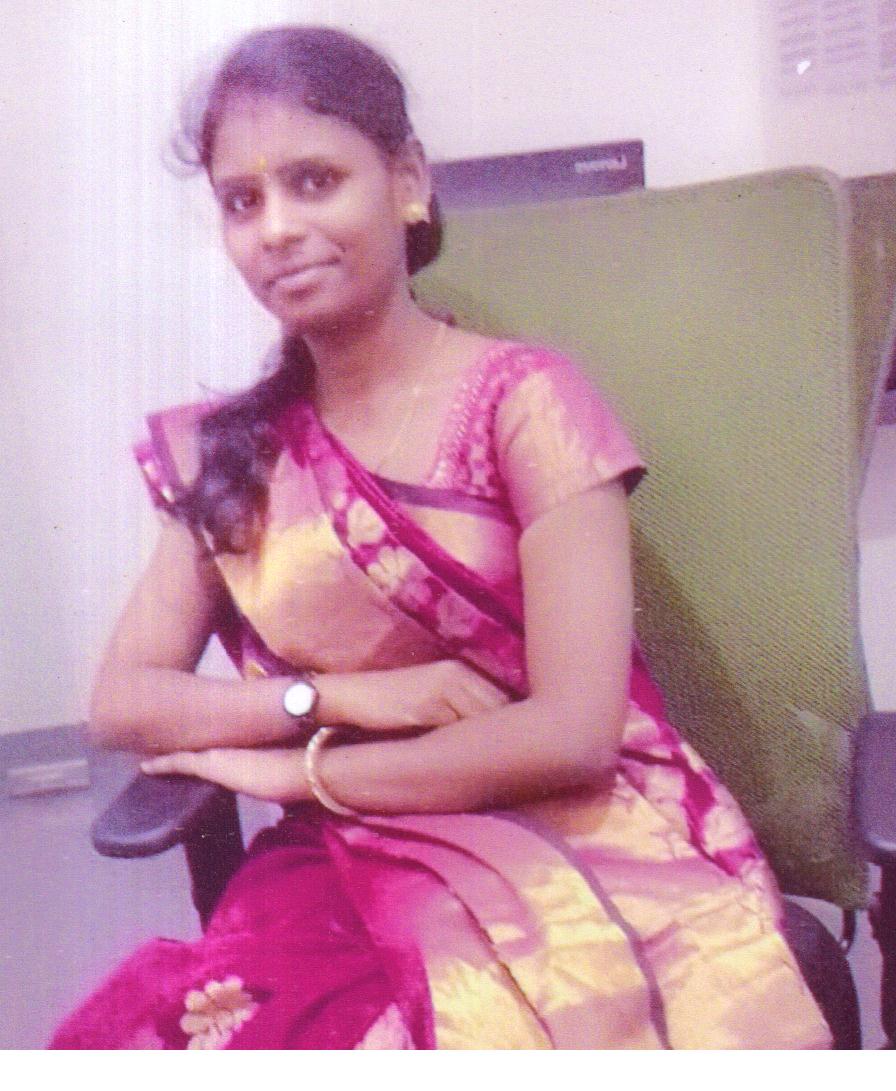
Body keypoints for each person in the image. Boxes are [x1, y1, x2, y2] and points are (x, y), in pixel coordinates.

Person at [51, 25, 830, 1050]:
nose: (277, 228)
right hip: (341, 862)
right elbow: (124, 699)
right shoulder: (232, 452)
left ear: (408, 182)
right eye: (242, 201)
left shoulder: (525, 403)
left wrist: (293, 774)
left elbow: (572, 733)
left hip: (579, 834)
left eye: (315, 181)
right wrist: (333, 700)